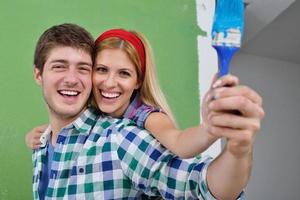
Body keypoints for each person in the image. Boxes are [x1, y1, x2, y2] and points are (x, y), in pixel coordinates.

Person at [31, 23, 264, 199]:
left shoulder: (124, 136)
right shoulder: (43, 144)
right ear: (38, 74)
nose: (71, 79)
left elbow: (197, 183)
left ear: (138, 82)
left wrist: (236, 148)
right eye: (59, 66)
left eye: (82, 68)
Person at [26, 28, 235, 158]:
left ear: (138, 81)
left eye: (124, 73)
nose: (109, 83)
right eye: (101, 70)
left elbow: (180, 143)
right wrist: (42, 133)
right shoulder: (90, 111)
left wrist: (209, 128)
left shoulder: (147, 116)